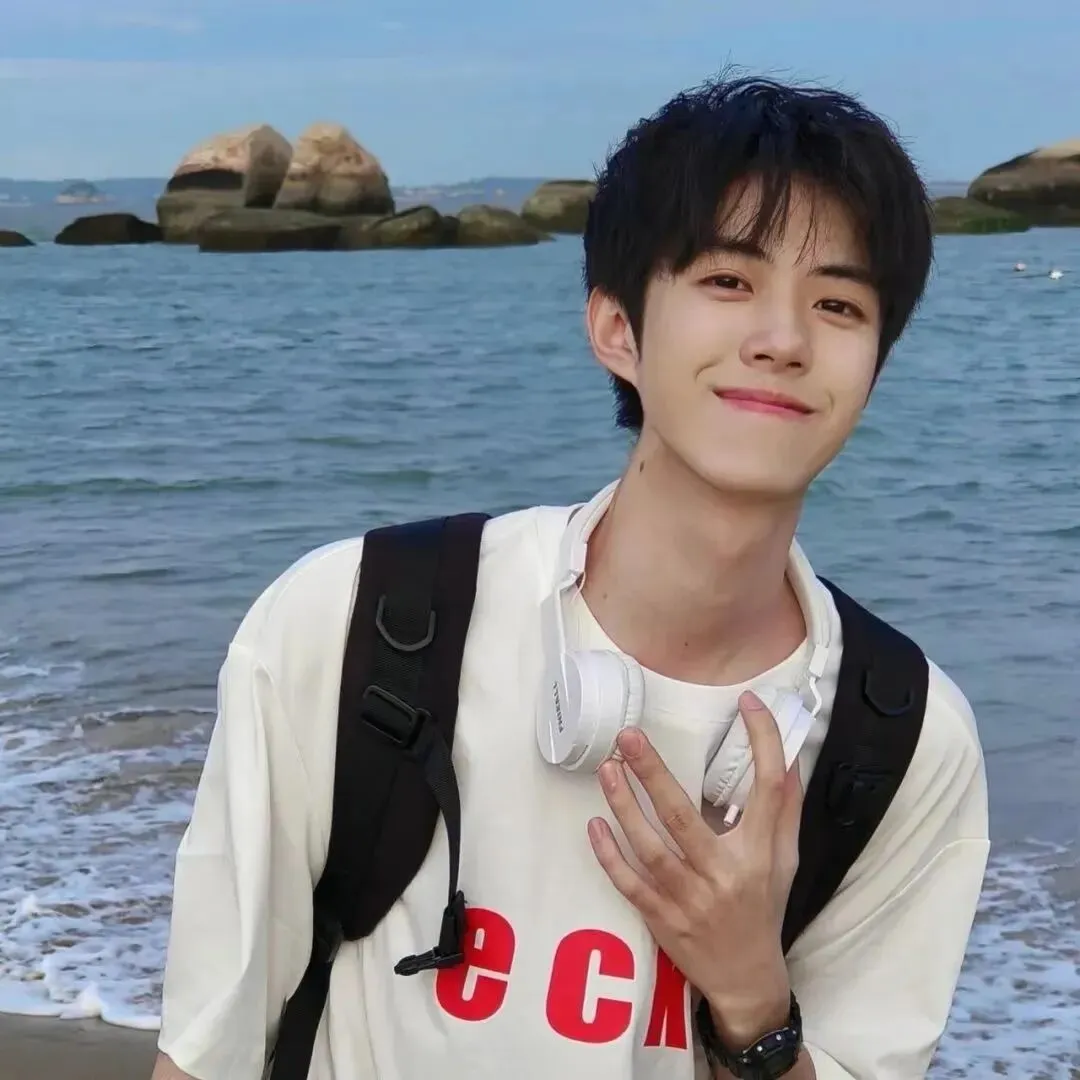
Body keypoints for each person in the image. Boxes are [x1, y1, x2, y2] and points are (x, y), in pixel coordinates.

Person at [150, 73, 989, 1080]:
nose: (783, 340)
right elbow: (206, 1056)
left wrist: (751, 1000)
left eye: (838, 303)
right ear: (616, 329)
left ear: (874, 367)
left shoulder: (902, 741)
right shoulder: (354, 625)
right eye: (728, 281)